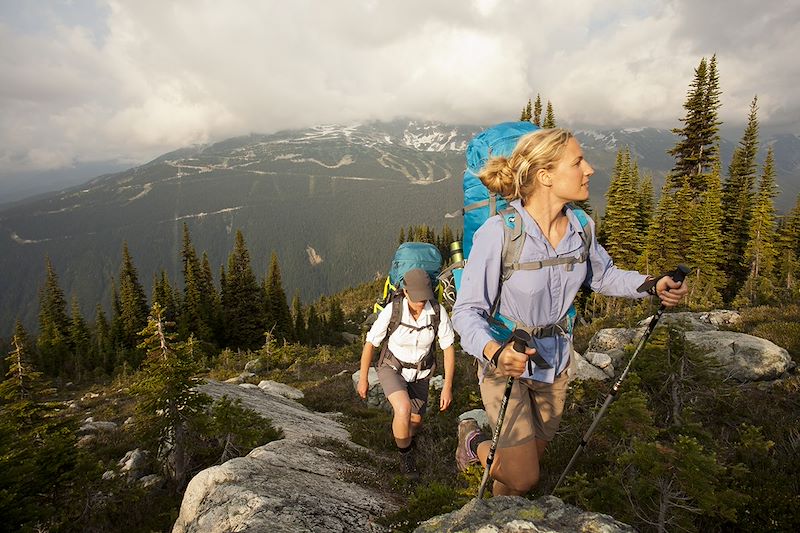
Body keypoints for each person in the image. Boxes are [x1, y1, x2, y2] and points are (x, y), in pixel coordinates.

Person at [451, 128, 688, 496]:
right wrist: (494, 352)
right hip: (506, 361)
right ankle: (473, 442)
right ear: (545, 176)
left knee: (521, 472)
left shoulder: (581, 227)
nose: (589, 169)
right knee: (524, 476)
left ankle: (501, 518)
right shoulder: (499, 233)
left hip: (555, 362)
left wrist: (651, 284)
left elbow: (604, 275)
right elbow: (466, 312)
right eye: (577, 161)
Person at [357, 268, 456, 479]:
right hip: (392, 367)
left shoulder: (437, 312)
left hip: (421, 373)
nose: (421, 301)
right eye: (417, 296)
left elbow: (448, 348)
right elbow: (370, 344)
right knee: (402, 409)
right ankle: (406, 458)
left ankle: (406, 438)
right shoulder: (393, 311)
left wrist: (447, 386)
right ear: (406, 292)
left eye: (425, 296)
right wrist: (363, 378)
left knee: (415, 422)